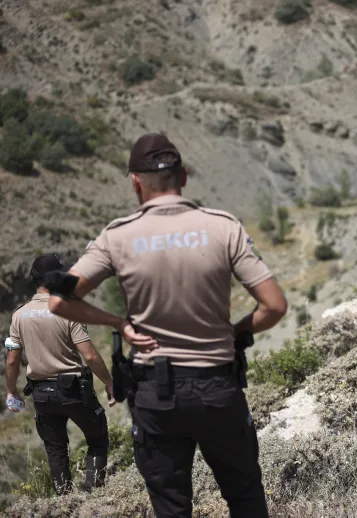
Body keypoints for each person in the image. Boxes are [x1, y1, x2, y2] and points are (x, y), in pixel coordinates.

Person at [47, 133, 288, 518]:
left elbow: (60, 300)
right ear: (185, 176)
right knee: (244, 496)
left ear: (135, 182)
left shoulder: (118, 237)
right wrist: (237, 331)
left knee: (172, 506)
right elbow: (274, 306)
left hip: (156, 394)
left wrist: (119, 323)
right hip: (218, 387)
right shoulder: (222, 227)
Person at [5, 253, 113, 495]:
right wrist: (109, 383)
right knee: (97, 438)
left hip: (42, 395)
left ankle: (63, 498)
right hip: (74, 390)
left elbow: (12, 361)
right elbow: (91, 356)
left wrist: (12, 391)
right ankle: (92, 494)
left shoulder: (19, 314)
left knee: (56, 450)